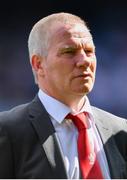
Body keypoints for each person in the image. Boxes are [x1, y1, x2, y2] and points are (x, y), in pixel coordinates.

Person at [0, 12, 127, 179]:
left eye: (89, 51)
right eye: (69, 51)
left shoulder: (120, 132)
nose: (85, 61)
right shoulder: (8, 131)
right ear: (38, 64)